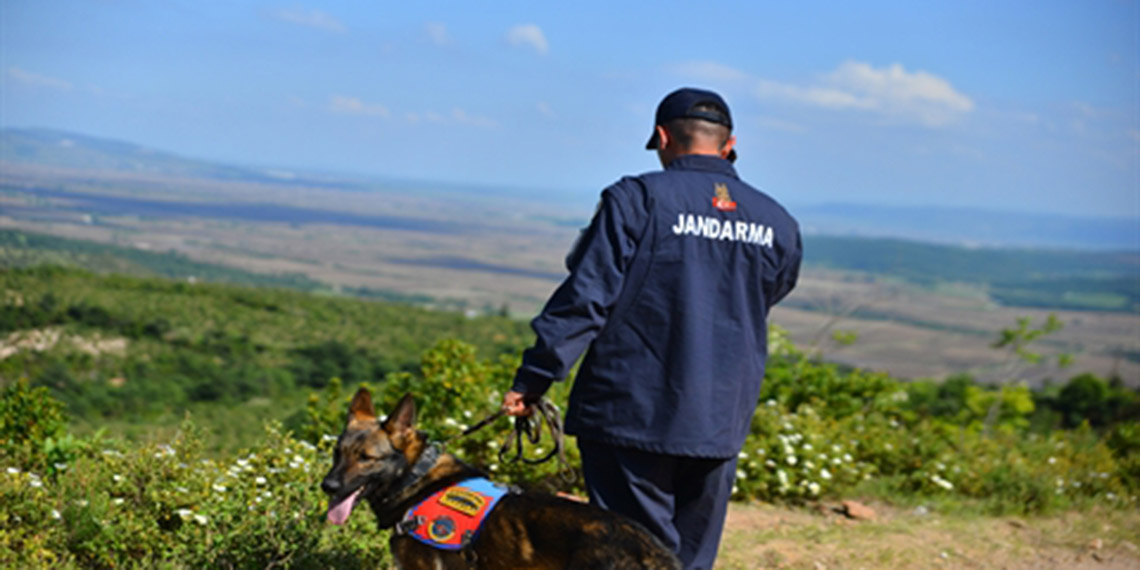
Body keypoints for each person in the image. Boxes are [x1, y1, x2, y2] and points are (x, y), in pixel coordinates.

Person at [502, 87, 802, 570]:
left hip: (630, 412)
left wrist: (534, 378)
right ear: (730, 144)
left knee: (630, 556)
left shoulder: (637, 199)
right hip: (719, 418)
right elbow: (770, 291)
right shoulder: (776, 221)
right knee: (689, 558)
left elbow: (586, 297)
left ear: (663, 137)